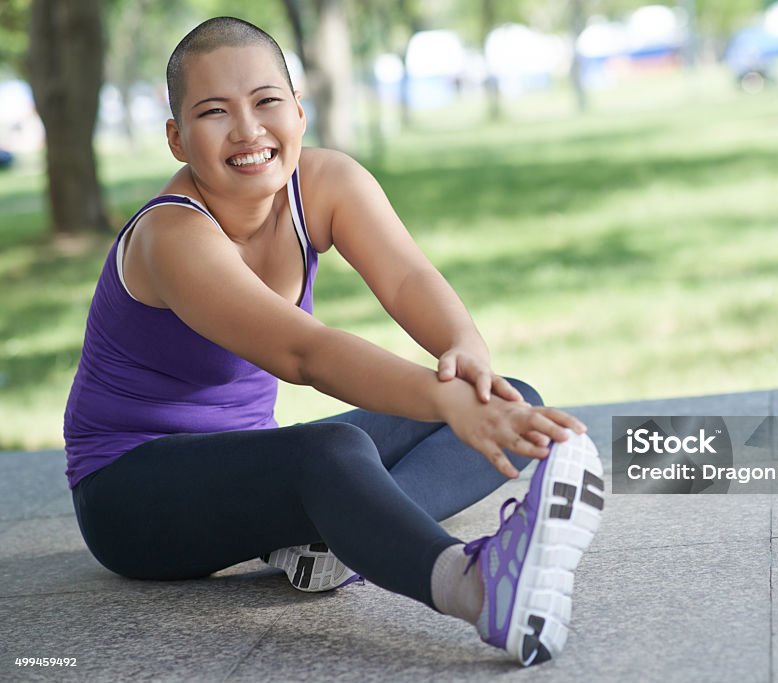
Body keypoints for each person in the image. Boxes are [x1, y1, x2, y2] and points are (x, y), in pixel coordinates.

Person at [63, 16, 604, 667]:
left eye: (266, 102)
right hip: (130, 496)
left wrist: (468, 360)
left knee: (512, 396)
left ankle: (341, 539)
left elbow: (407, 278)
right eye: (214, 112)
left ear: (298, 109)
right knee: (334, 449)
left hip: (244, 465)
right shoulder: (171, 238)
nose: (247, 129)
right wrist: (450, 403)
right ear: (177, 138)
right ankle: (479, 587)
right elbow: (304, 353)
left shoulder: (324, 182)